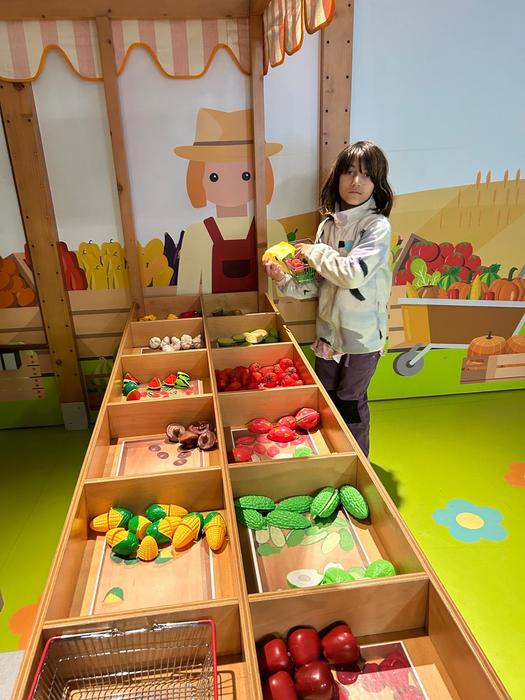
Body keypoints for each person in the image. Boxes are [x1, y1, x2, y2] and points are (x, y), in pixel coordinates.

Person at [263, 141, 394, 457]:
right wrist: (283, 279)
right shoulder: (328, 225)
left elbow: (352, 274)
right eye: (349, 172)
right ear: (337, 178)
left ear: (377, 183)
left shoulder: (376, 226)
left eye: (366, 174)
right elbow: (320, 284)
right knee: (326, 401)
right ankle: (332, 458)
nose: (356, 181)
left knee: (349, 402)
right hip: (328, 335)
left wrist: (316, 251)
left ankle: (357, 463)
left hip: (361, 339)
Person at [174, 108, 287, 295]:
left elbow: (285, 293)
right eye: (214, 176)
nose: (230, 185)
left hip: (264, 314)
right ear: (198, 177)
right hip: (214, 313)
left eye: (245, 175)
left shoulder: (273, 230)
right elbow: (186, 295)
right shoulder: (196, 234)